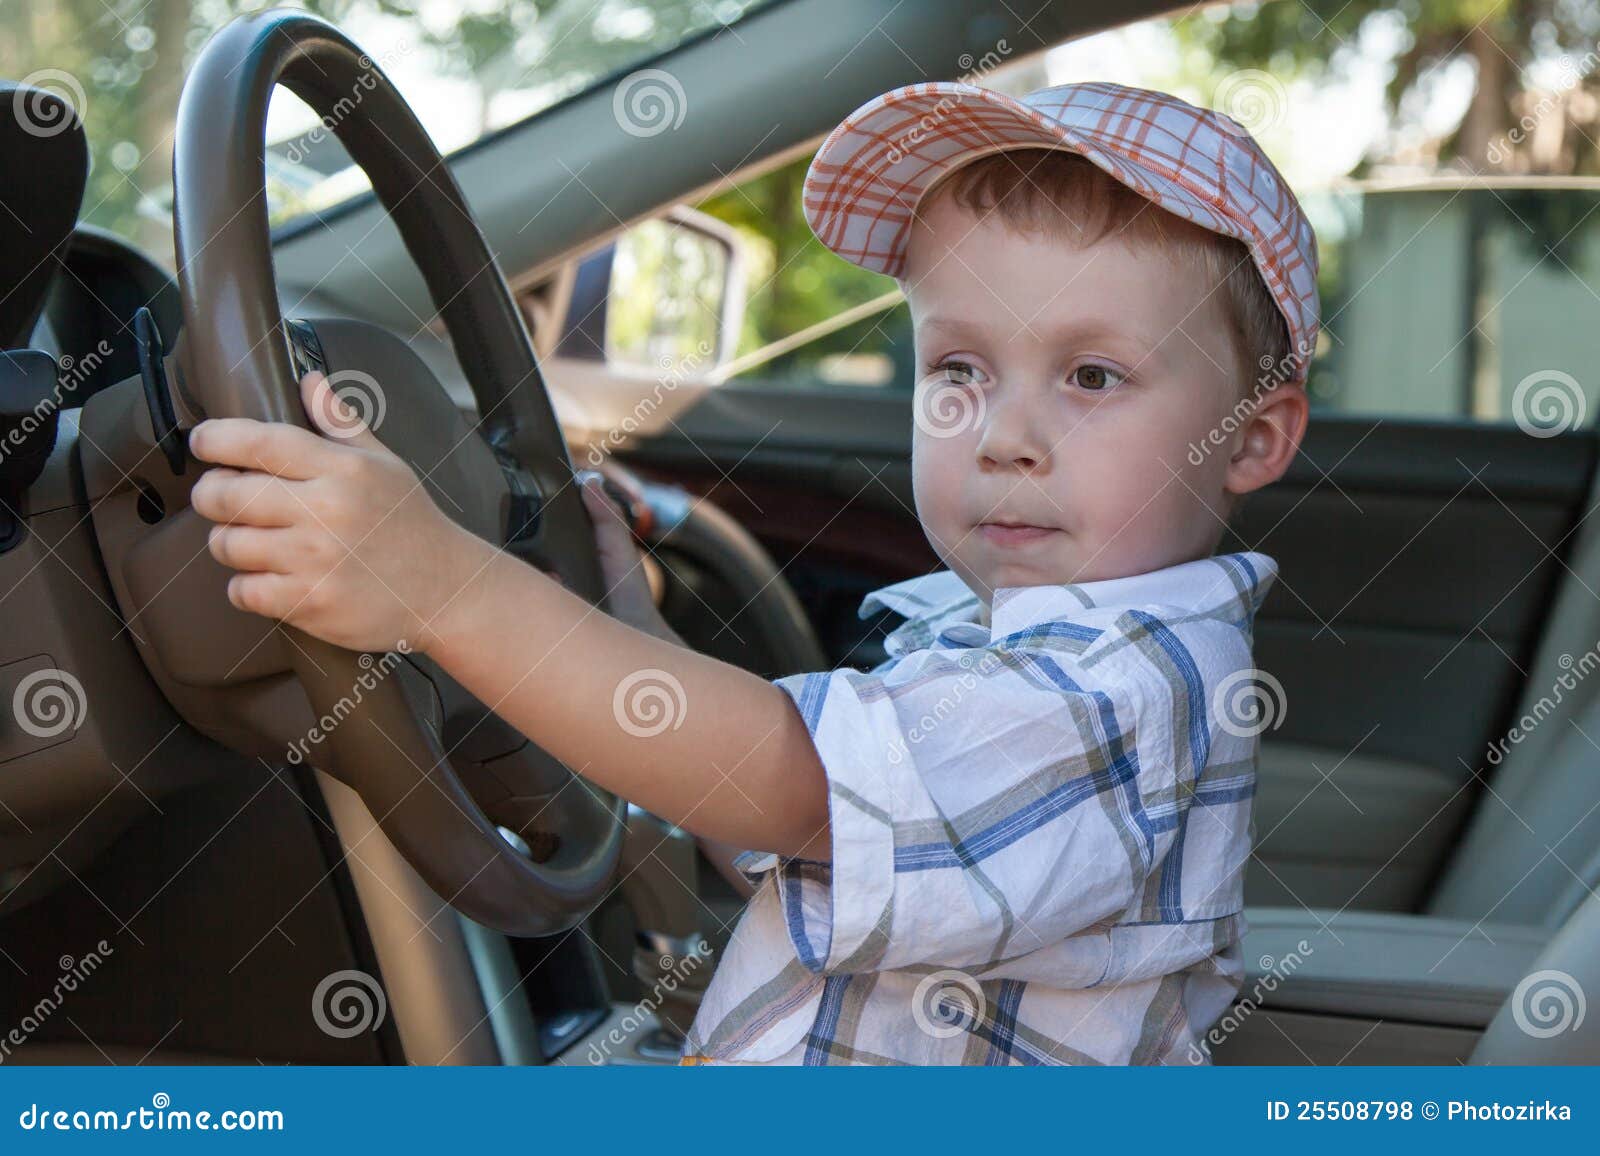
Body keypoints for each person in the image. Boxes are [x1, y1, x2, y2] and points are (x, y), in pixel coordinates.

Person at [186, 79, 1317, 1065]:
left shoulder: (1114, 693)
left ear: (1256, 437)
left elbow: (779, 783)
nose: (1001, 433)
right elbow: (780, 827)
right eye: (960, 366)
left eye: (1091, 375)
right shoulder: (1005, 641)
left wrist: (439, 586)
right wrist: (625, 620)